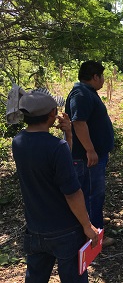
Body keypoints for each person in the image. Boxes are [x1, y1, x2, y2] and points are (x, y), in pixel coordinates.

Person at [12, 90, 99, 282]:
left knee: (35, 277)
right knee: (73, 278)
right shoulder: (55, 147)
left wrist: (68, 134)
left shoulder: (18, 142)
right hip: (65, 230)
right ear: (52, 114)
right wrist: (87, 226)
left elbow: (56, 163)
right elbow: (72, 193)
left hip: (35, 229)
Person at [65, 61, 115, 246]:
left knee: (93, 193)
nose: (103, 80)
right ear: (95, 77)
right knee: (92, 194)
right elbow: (79, 123)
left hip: (94, 156)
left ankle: (94, 225)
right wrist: (90, 150)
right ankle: (94, 236)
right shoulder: (81, 94)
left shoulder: (87, 92)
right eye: (102, 76)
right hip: (88, 158)